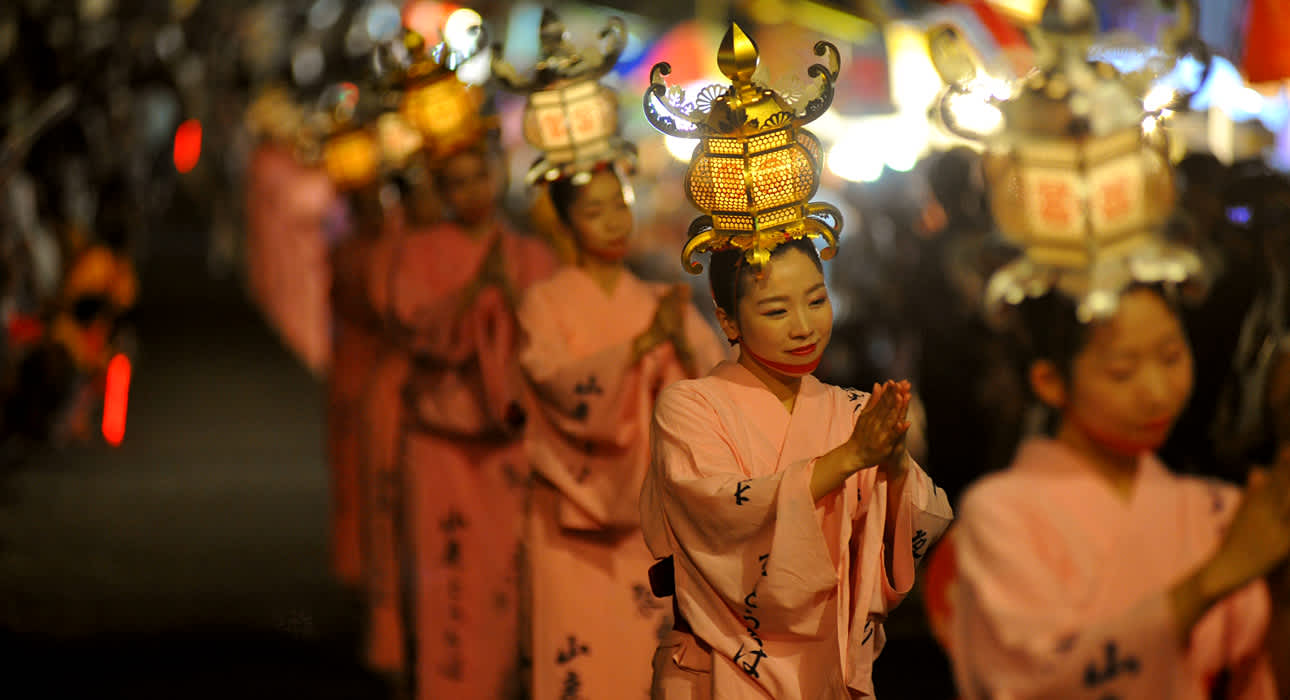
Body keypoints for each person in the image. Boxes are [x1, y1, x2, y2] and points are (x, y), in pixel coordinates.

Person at [641, 236, 953, 699]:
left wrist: (893, 467)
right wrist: (849, 458)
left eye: (817, 300)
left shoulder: (851, 411)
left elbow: (913, 528)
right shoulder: (690, 406)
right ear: (728, 320)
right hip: (720, 663)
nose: (805, 327)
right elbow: (720, 510)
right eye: (776, 311)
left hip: (828, 662)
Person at [943, 284, 1290, 698]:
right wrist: (1209, 582)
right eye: (1122, 371)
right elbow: (1033, 683)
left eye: (1171, 356)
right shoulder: (1000, 511)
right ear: (1051, 381)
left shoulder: (1215, 508)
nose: (1159, 392)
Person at [517, 166, 727, 699]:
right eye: (594, 211)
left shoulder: (662, 302)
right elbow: (556, 383)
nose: (614, 222)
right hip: (570, 521)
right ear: (566, 221)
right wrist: (636, 351)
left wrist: (677, 348)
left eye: (620, 205)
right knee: (582, 662)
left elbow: (714, 391)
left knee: (650, 666)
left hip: (650, 519)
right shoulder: (543, 303)